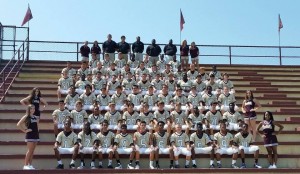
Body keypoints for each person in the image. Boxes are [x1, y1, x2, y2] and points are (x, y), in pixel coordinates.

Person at [17, 105, 39, 170]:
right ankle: (25, 165)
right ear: (28, 109)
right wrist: (25, 130)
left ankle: (30, 165)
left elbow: (37, 127)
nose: (33, 110)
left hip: (35, 135)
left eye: (33, 108)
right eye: (31, 109)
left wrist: (37, 133)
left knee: (32, 151)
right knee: (30, 150)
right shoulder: (26, 116)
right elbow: (18, 124)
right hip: (30, 135)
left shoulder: (35, 117)